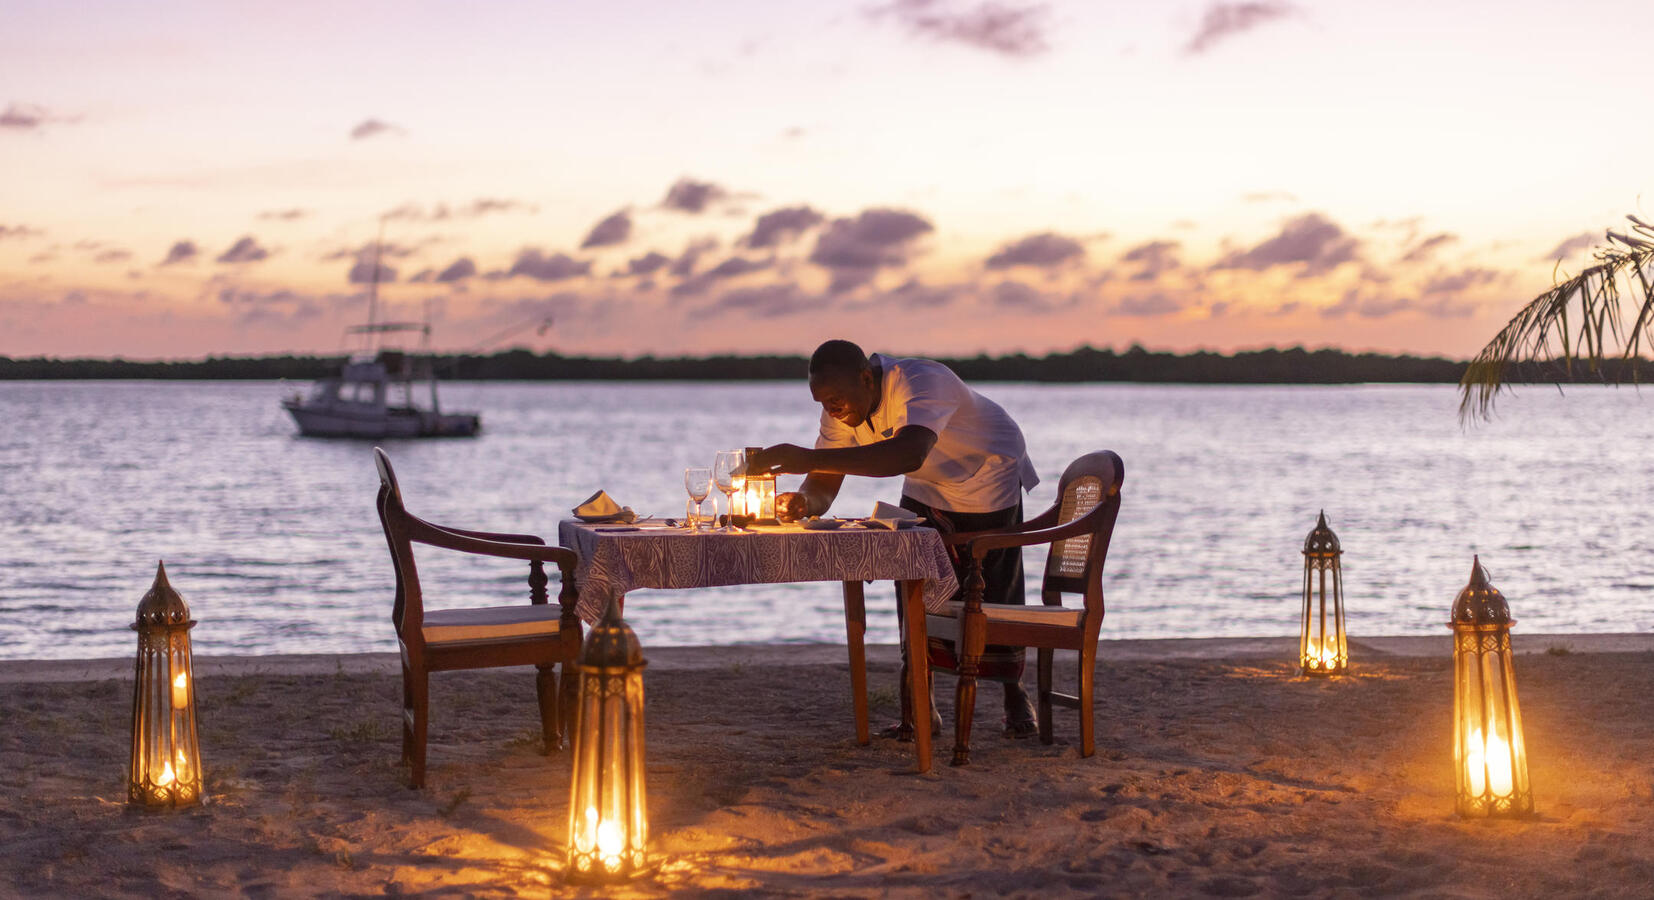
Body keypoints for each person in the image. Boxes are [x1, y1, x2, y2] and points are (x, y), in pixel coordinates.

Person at [748, 339, 1041, 738]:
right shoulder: (840, 410)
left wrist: (810, 458)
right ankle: (919, 705)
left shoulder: (921, 381)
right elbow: (824, 483)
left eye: (834, 399)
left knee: (991, 588)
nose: (830, 409)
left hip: (988, 469)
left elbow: (908, 454)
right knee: (911, 577)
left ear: (866, 378)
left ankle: (1013, 691)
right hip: (928, 483)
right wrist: (803, 501)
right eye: (821, 401)